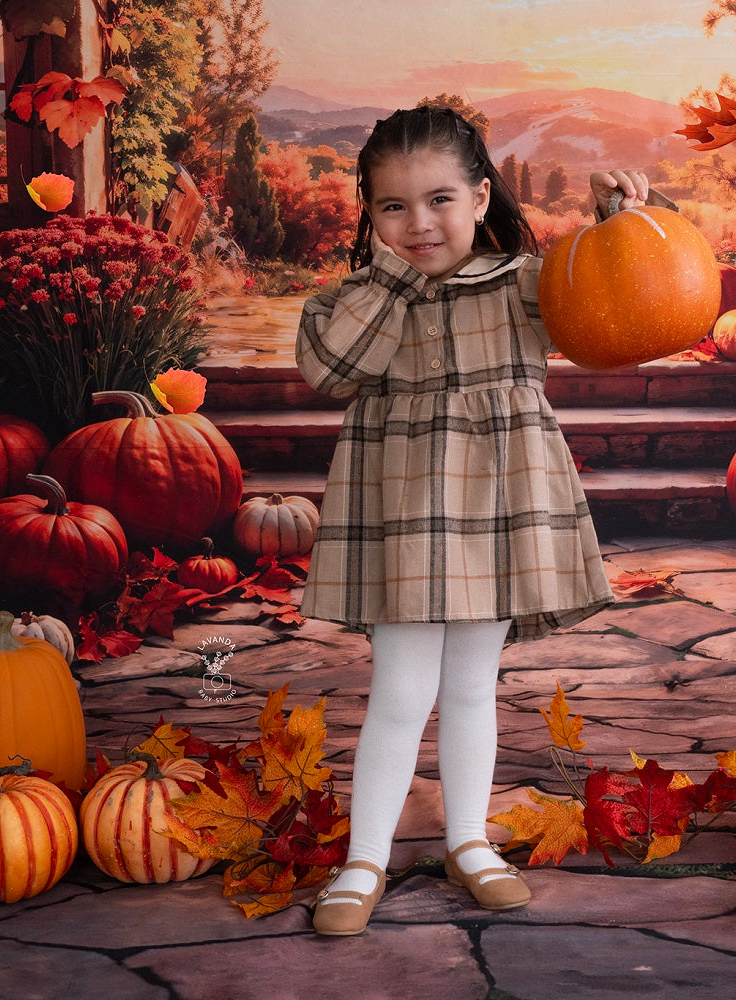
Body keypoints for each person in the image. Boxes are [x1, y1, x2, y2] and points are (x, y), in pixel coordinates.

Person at [295, 104, 649, 936]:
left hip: (496, 508)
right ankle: (364, 860)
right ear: (369, 211)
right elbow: (331, 371)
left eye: (440, 199)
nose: (419, 223)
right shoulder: (354, 300)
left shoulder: (528, 284)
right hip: (407, 517)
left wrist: (620, 222)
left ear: (481, 196)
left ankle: (468, 842)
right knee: (400, 687)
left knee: (468, 686)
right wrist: (393, 278)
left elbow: (622, 311)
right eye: (393, 206)